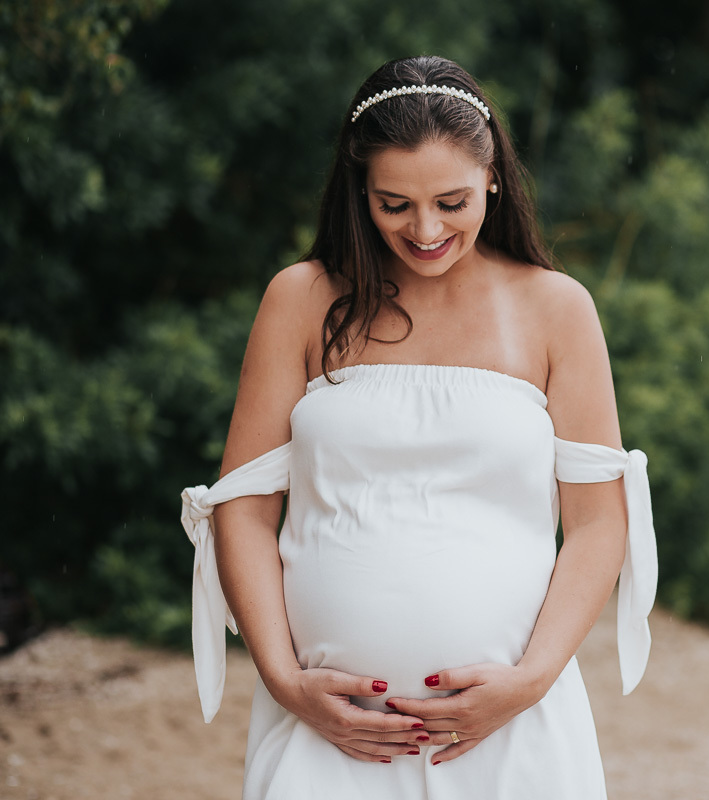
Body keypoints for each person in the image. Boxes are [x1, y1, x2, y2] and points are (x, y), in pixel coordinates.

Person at [179, 55, 657, 799]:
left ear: (493, 177)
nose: (426, 229)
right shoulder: (301, 299)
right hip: (328, 733)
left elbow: (598, 525)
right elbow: (241, 508)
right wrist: (283, 680)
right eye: (394, 203)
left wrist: (529, 683)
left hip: (509, 732)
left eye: (452, 201)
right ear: (358, 190)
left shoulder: (556, 308)